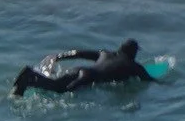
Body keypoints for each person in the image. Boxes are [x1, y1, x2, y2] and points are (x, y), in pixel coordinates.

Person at [12, 38, 159, 97]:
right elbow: (149, 80)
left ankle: (28, 80)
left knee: (56, 84)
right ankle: (29, 76)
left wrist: (58, 57)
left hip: (81, 70)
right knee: (60, 91)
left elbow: (79, 53)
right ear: (134, 53)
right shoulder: (133, 66)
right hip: (89, 77)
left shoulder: (105, 53)